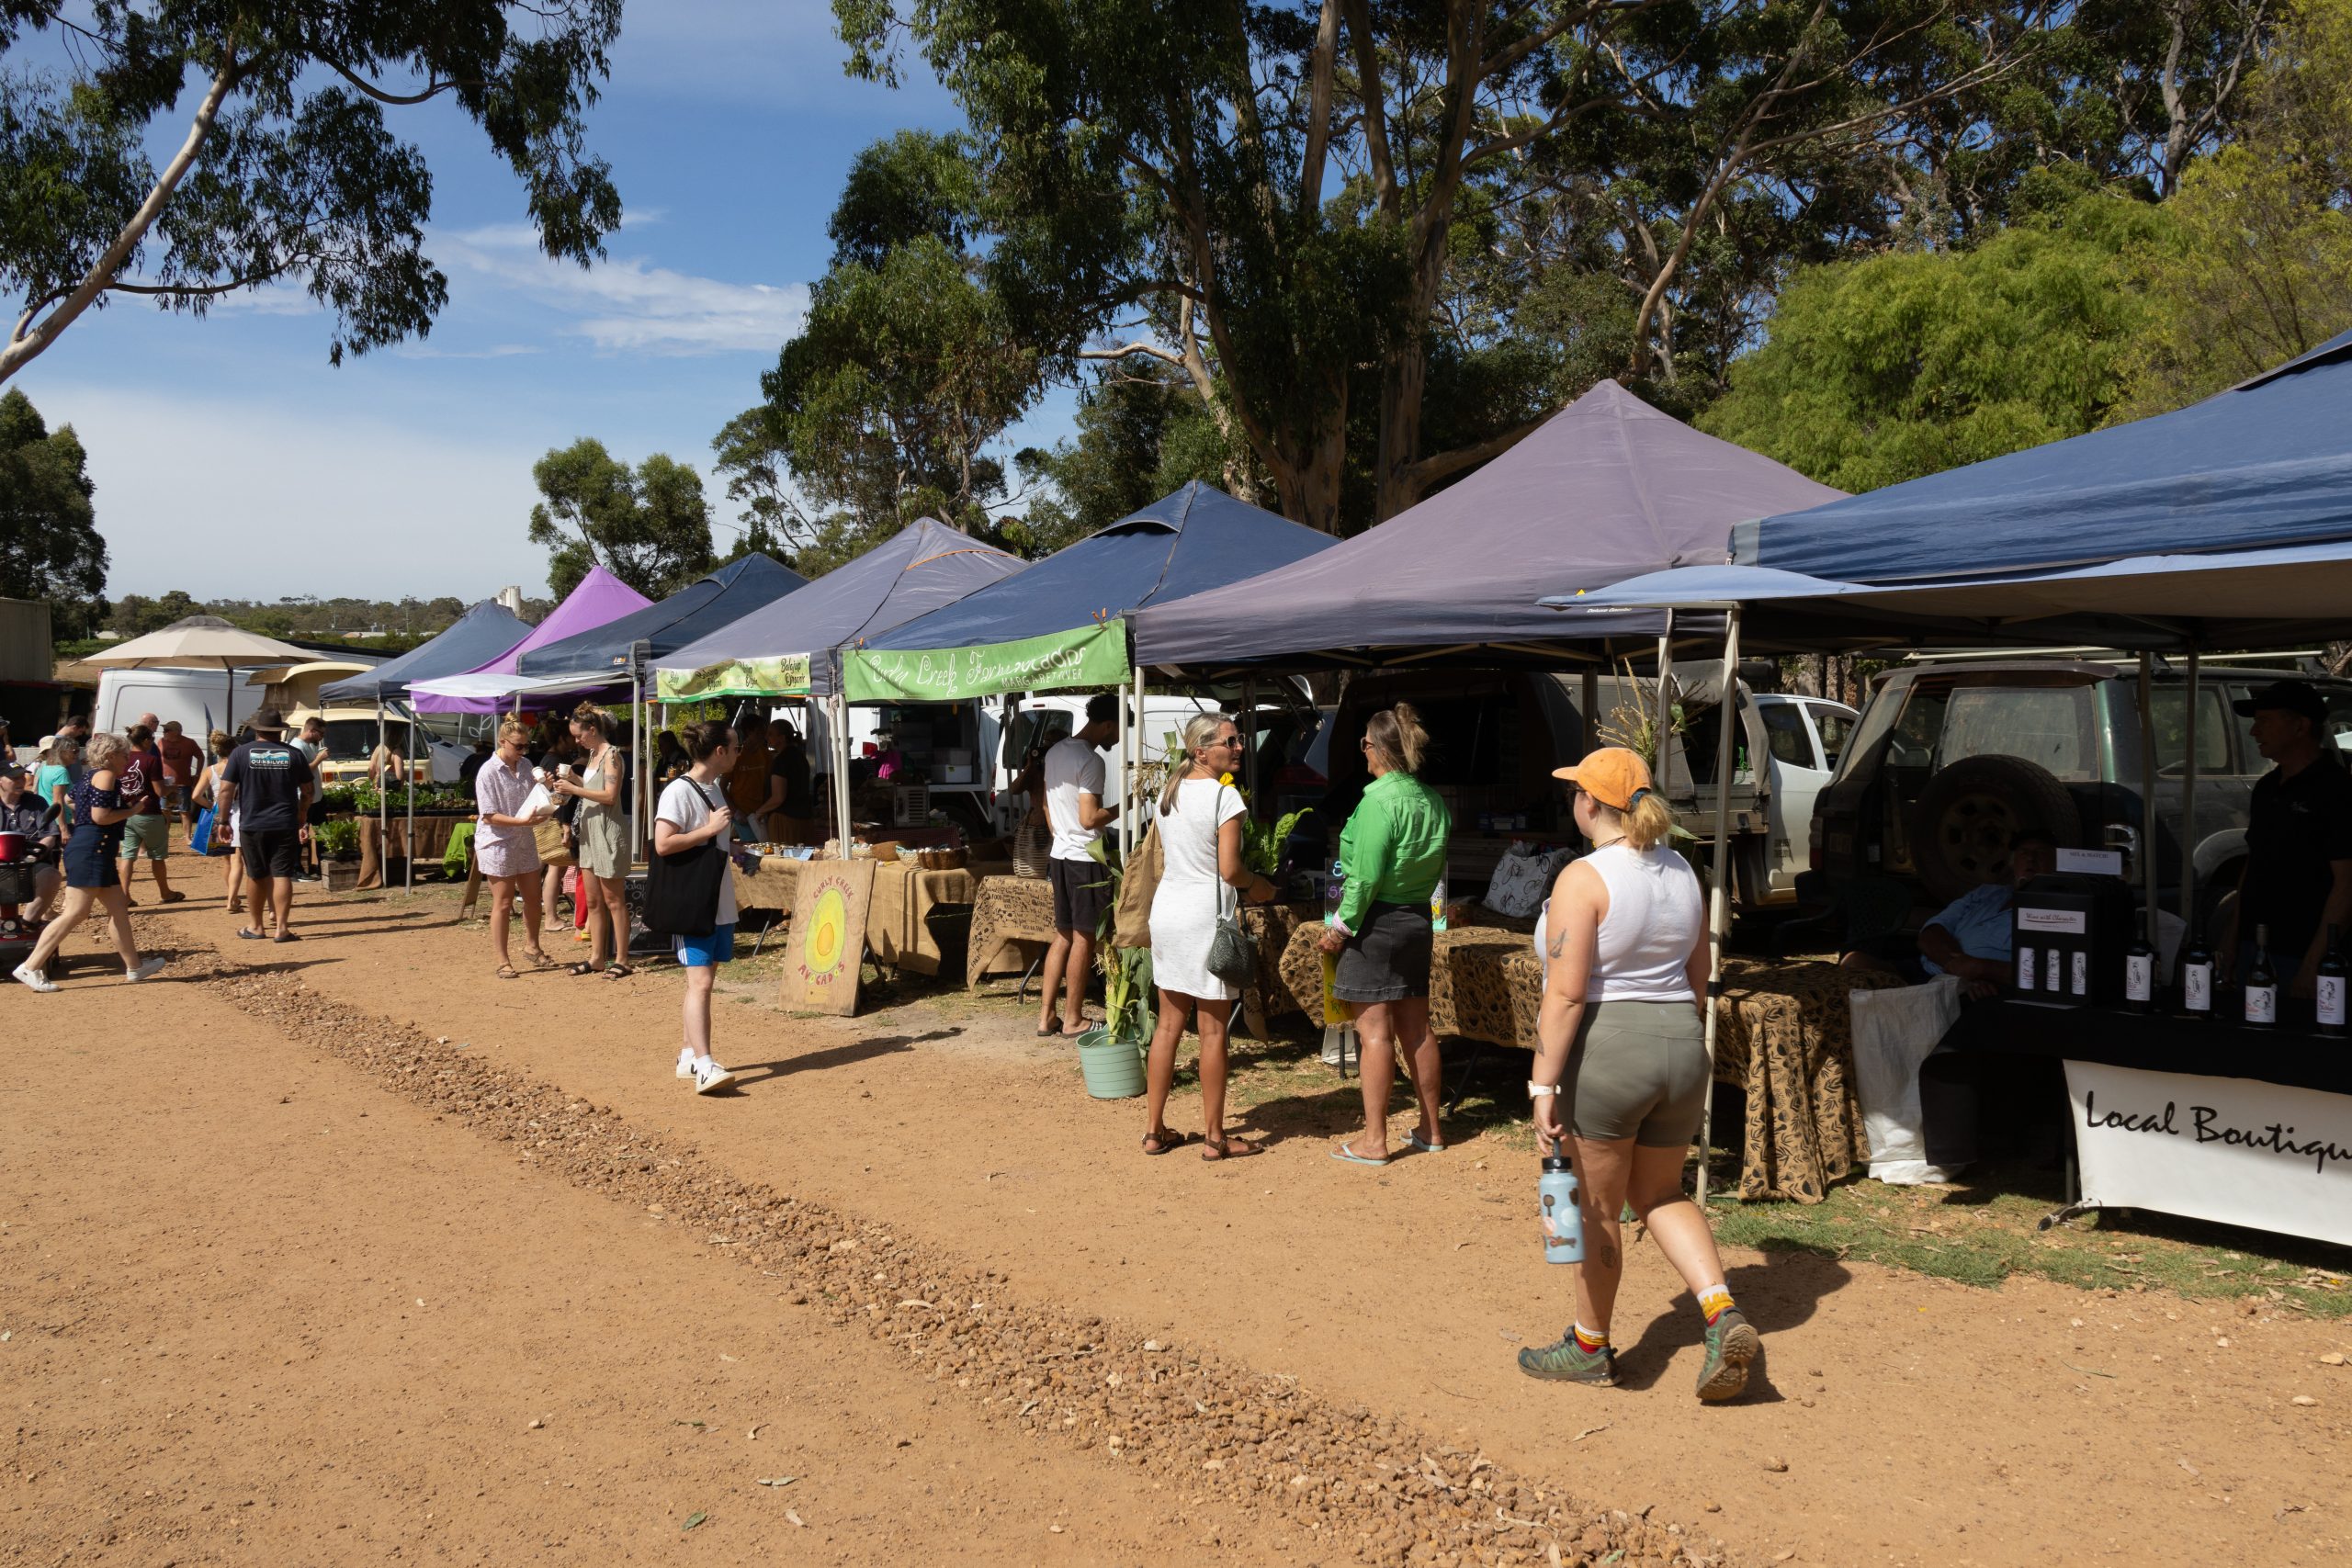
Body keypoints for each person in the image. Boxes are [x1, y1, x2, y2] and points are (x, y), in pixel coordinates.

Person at [1515, 746, 1757, 1403]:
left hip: (1610, 1046)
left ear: (1590, 803)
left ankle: (1589, 1345)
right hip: (1680, 1041)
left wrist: (1542, 1083)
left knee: (1597, 1207)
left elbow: (1564, 995)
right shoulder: (1682, 870)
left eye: (1576, 792)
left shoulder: (1583, 877)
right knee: (1660, 1192)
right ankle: (1720, 1310)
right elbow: (1697, 976)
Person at [1141, 713, 1278, 1159]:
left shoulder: (1171, 789)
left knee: (1167, 1025)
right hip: (1205, 916)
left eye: (1238, 741)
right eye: (1231, 741)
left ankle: (1154, 1130)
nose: (1239, 747)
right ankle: (1215, 1138)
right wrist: (1260, 886)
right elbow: (1230, 870)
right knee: (1213, 1031)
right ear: (1202, 751)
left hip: (1168, 911)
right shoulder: (1225, 796)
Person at [1319, 704, 1451, 1165]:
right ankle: (1431, 1128)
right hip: (1418, 918)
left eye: (1366, 745)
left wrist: (1339, 929)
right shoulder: (1431, 799)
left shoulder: (1377, 800)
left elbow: (1364, 879)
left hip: (1377, 921)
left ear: (1372, 747)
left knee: (1374, 1033)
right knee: (1417, 1027)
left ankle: (1375, 1140)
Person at [2219, 679, 2352, 998]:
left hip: (2304, 951)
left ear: (2301, 726)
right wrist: (2232, 937)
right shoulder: (2266, 787)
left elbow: (2347, 885)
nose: (2254, 732)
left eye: (2264, 721)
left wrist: (2313, 964)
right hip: (2256, 946)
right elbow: (2255, 862)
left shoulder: (2337, 790)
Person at [12, 733, 168, 990]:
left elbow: (73, 799)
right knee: (76, 912)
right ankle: (30, 967)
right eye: (124, 755)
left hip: (94, 848)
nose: (128, 760)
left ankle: (135, 967)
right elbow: (101, 817)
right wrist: (133, 810)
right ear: (109, 756)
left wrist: (116, 805)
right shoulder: (105, 775)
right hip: (93, 848)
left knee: (118, 909)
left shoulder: (89, 776)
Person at [1838, 828, 2057, 996]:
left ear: (2056, 863)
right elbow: (1930, 933)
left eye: (2040, 853)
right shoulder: (1987, 894)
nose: (2031, 859)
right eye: (2024, 853)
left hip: (1973, 990)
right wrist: (1959, 964)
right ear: (2012, 862)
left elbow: (2048, 973)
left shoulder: (2057, 913)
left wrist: (1981, 969)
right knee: (1853, 961)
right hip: (1928, 970)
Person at [656, 720, 742, 1095]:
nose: (739, 753)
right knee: (701, 982)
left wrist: (737, 851)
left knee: (705, 981)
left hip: (717, 899)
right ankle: (705, 1065)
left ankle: (689, 1054)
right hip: (693, 901)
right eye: (735, 747)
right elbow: (663, 844)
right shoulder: (678, 791)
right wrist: (708, 831)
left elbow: (714, 841)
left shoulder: (715, 789)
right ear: (719, 752)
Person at [1036, 694, 1123, 1038]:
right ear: (1107, 725)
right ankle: (1073, 1018)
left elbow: (1046, 801)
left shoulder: (1056, 751)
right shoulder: (1091, 760)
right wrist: (1127, 804)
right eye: (1119, 730)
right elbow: (1089, 819)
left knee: (1062, 935)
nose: (1118, 738)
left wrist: (1059, 829)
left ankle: (1047, 1018)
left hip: (1060, 854)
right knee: (1084, 938)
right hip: (1085, 858)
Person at [217, 708, 314, 944]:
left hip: (252, 823)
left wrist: (223, 821)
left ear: (257, 729)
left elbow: (226, 790)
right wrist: (302, 816)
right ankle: (282, 928)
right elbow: (308, 791)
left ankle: (256, 926)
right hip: (284, 822)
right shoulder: (294, 755)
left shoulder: (240, 753)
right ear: (280, 732)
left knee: (256, 874)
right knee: (282, 874)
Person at [551, 703, 633, 979]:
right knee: (595, 901)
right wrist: (572, 779)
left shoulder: (612, 756)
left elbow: (610, 796)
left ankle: (622, 958)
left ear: (593, 730)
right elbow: (593, 789)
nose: (577, 741)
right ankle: (597, 957)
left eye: (579, 735)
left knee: (614, 900)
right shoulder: (594, 755)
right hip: (589, 833)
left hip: (607, 832)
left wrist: (574, 788)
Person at [473, 716, 554, 979]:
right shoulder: (487, 772)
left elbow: (536, 798)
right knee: (504, 902)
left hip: (523, 838)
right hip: (497, 841)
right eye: (518, 746)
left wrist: (548, 791)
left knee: (533, 897)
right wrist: (521, 821)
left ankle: (532, 946)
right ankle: (502, 959)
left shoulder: (527, 765)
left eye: (525, 746)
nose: (522, 751)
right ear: (503, 742)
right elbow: (488, 815)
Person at [191, 730, 258, 926]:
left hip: (219, 814)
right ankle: (232, 899)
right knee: (238, 859)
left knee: (226, 860)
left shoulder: (210, 770)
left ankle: (231, 897)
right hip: (237, 812)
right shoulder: (240, 767)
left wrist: (211, 806)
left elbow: (195, 795)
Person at [116, 723, 182, 906]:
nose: (153, 742)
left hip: (126, 812)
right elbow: (159, 791)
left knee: (128, 855)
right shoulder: (151, 760)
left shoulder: (123, 758)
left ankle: (124, 895)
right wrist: (172, 788)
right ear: (145, 740)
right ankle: (165, 892)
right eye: (151, 739)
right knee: (157, 855)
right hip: (149, 812)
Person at [0, 760, 62, 921]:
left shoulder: (37, 802)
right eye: (14, 778)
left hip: (30, 862)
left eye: (22, 777)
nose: (21, 781)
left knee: (51, 875)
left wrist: (33, 855)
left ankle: (29, 922)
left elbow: (49, 835)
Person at [755, 718, 818, 846]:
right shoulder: (799, 756)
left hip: (785, 819)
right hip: (804, 816)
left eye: (771, 733)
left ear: (782, 738)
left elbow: (778, 797)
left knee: (784, 859)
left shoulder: (782, 759)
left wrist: (759, 812)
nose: (767, 737)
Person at [292, 716, 330, 880]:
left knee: (322, 833)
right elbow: (303, 770)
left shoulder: (309, 745)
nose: (322, 737)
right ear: (312, 731)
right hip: (304, 798)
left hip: (316, 798)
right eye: (320, 733)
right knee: (302, 835)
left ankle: (322, 866)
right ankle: (297, 870)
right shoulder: (297, 746)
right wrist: (319, 759)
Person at [157, 719, 204, 834]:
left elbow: (201, 757)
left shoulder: (189, 743)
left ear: (177, 732)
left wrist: (197, 774)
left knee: (185, 810)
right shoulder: (161, 742)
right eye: (164, 730)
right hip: (166, 782)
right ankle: (164, 836)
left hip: (183, 782)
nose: (164, 732)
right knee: (165, 810)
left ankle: (187, 837)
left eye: (167, 730)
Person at [32, 735, 79, 815]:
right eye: (74, 751)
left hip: (47, 816)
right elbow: (58, 802)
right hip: (57, 821)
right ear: (61, 752)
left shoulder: (44, 766)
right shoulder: (60, 771)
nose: (77, 755)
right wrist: (63, 826)